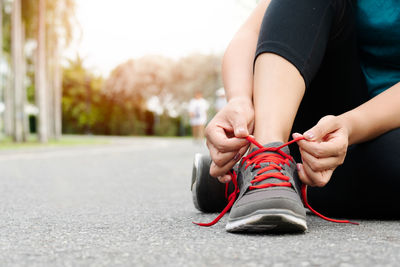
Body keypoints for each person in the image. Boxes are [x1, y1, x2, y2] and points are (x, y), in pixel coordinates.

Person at [199, 0, 400, 232]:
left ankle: (249, 182)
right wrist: (240, 99)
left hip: (382, 124)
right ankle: (268, 156)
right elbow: (251, 33)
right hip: (308, 111)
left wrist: (349, 126)